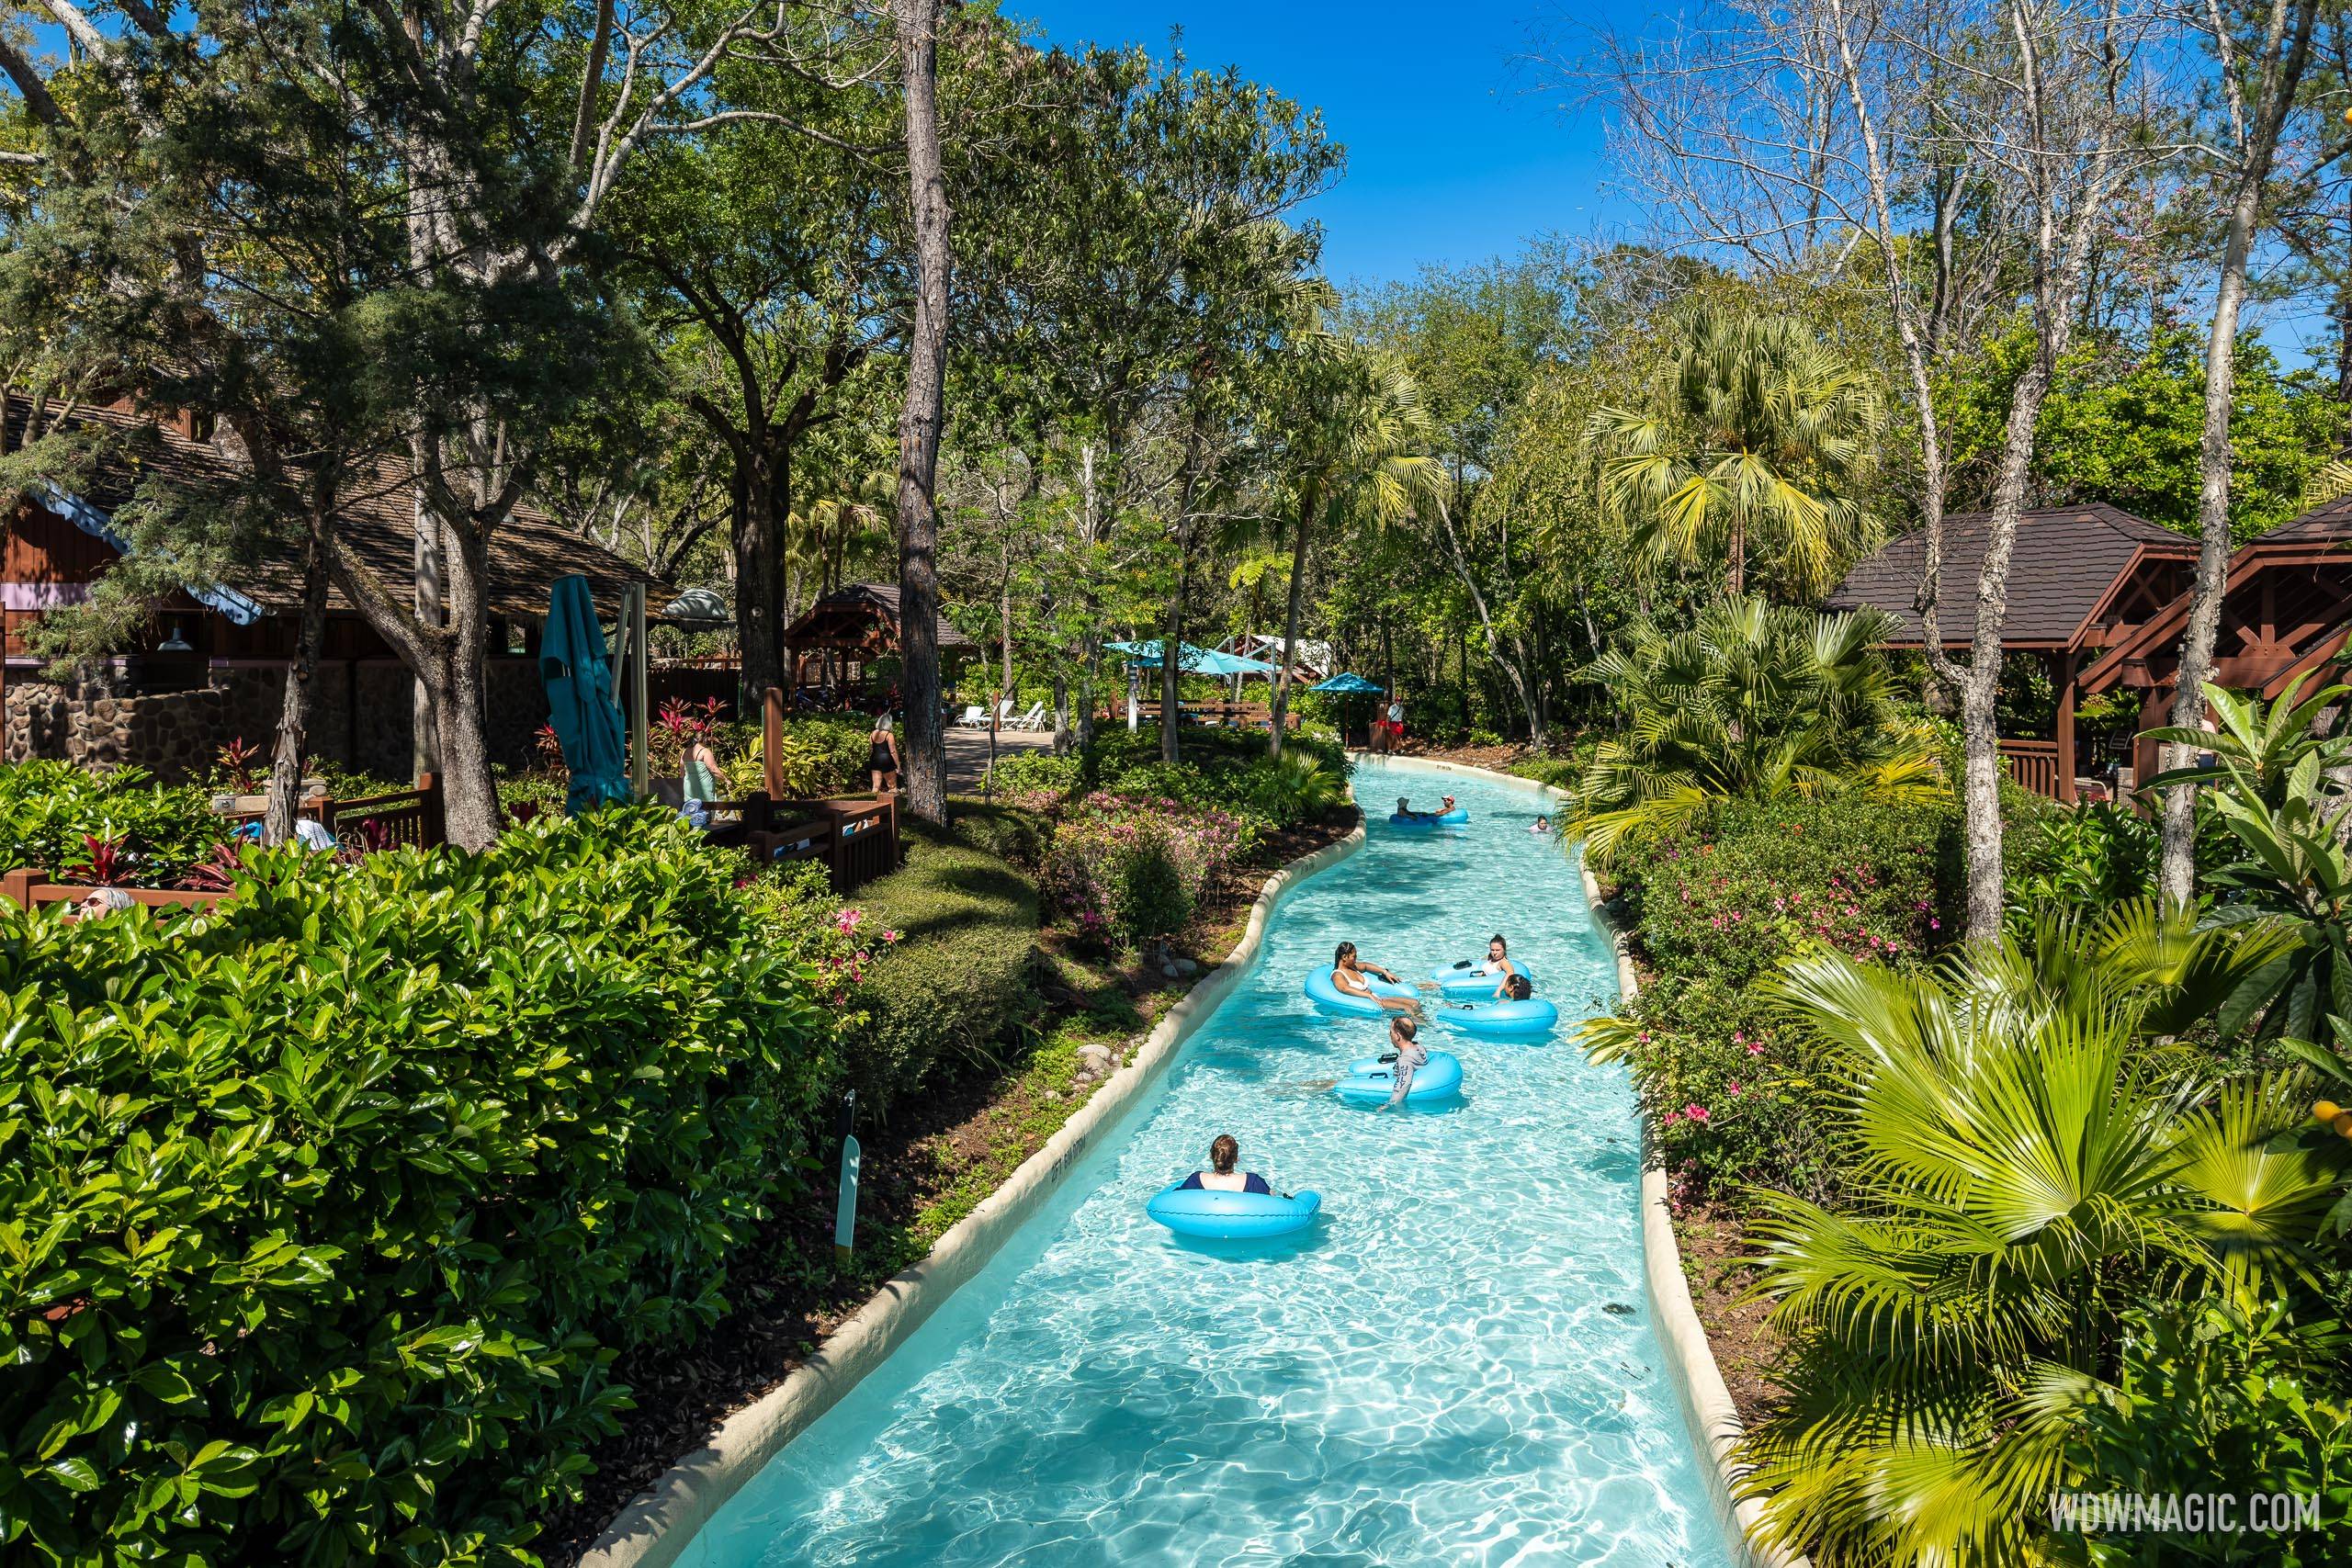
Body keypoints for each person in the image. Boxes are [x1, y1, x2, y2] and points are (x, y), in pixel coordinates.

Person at [1331, 941, 1419, 1015]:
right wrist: (1368, 995)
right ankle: (1422, 1027)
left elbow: (1366, 966)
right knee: (1408, 1008)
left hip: (1377, 997)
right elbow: (1344, 988)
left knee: (1415, 1003)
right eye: (1354, 956)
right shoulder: (1338, 975)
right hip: (1370, 1002)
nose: (1356, 959)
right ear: (1344, 957)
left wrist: (1385, 972)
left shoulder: (1353, 967)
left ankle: (1425, 1025)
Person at [1178, 1134, 1273, 1194]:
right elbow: (1274, 1203)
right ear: (1236, 1159)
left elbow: (1174, 1200)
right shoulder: (1254, 1182)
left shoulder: (1195, 1179)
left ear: (1211, 1157)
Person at [1384, 1015, 1427, 1108]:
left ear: (1398, 1036)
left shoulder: (1405, 1059)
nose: (1389, 1034)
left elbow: (1404, 1083)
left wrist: (1389, 1104)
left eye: (1390, 1032)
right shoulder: (1419, 1047)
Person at [683, 728, 724, 807]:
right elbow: (713, 769)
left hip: (689, 791)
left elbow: (682, 773)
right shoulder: (705, 751)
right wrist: (726, 780)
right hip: (703, 793)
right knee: (705, 816)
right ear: (704, 739)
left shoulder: (685, 752)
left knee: (690, 815)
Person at [867, 714, 900, 794]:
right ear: (889, 723)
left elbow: (870, 749)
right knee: (892, 787)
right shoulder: (889, 735)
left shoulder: (872, 734)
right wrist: (898, 765)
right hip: (887, 761)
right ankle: (893, 806)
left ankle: (873, 805)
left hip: (875, 760)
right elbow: (893, 751)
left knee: (875, 787)